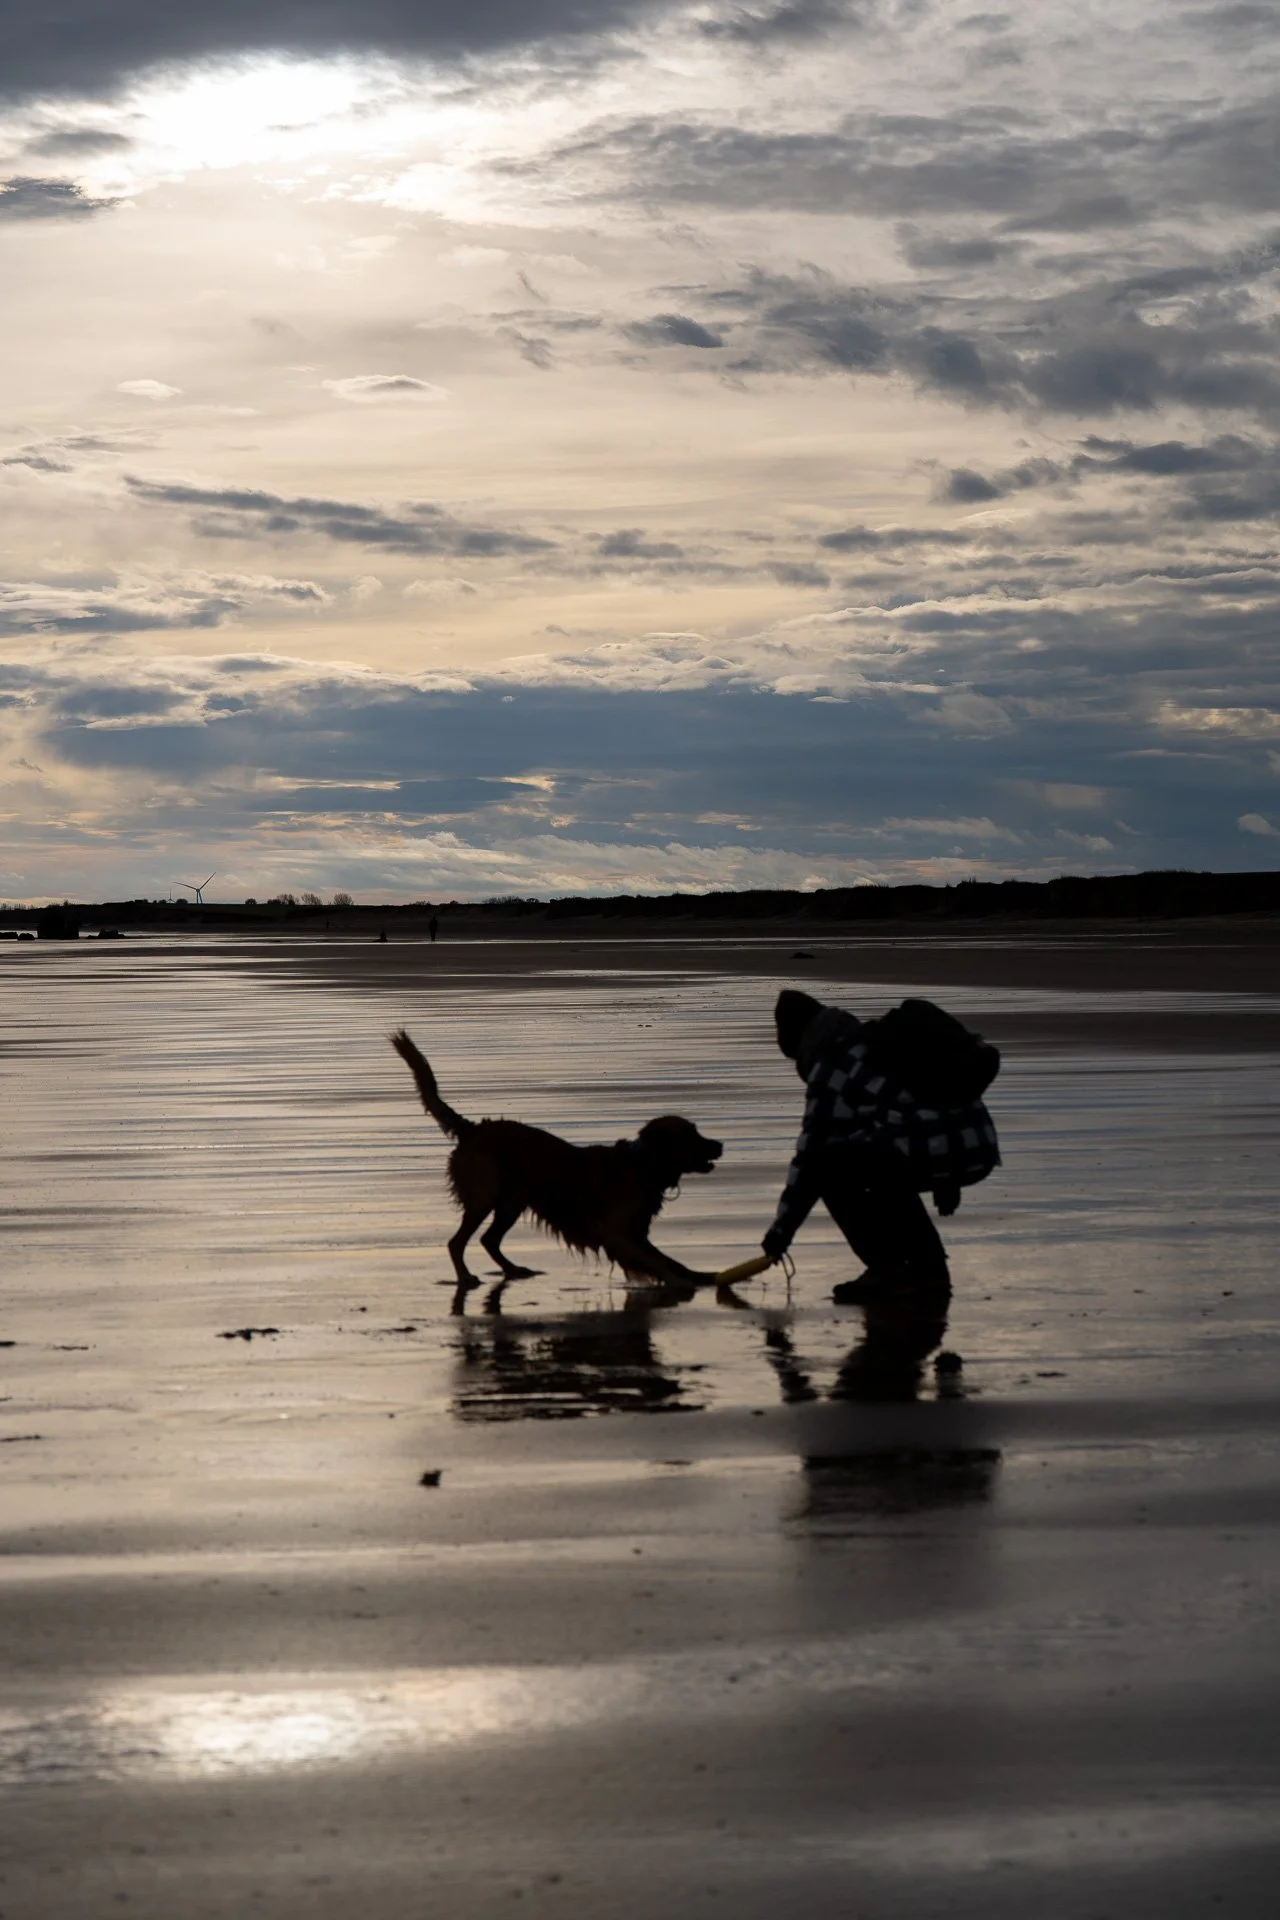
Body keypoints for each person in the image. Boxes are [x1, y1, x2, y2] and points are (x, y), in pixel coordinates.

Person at [761, 989, 1000, 1301]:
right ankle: (930, 1271)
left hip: (937, 1151)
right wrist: (947, 1179)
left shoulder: (833, 1066)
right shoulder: (883, 1043)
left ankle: (886, 1267)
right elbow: (930, 1105)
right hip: (978, 1146)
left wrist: (781, 1232)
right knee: (878, 1159)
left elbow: (810, 1158)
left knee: (831, 1166)